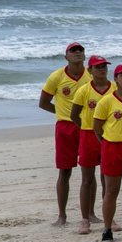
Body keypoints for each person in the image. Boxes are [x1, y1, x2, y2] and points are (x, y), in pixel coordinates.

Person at [39, 42, 89, 226]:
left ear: (84, 55)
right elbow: (43, 103)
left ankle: (90, 213)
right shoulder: (57, 76)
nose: (77, 53)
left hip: (86, 127)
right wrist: (63, 113)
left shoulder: (90, 75)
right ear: (66, 56)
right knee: (65, 171)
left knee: (88, 172)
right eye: (73, 51)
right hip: (65, 128)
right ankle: (62, 215)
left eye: (80, 50)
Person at [92, 64, 122, 242]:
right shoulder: (107, 101)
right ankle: (107, 229)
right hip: (113, 147)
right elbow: (97, 127)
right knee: (111, 190)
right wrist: (106, 143)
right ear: (116, 78)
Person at [68, 55, 115, 235]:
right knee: (87, 179)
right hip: (88, 136)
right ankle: (85, 219)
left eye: (104, 66)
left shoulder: (115, 88)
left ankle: (108, 217)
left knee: (107, 179)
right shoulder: (83, 90)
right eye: (98, 67)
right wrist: (87, 128)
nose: (102, 69)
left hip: (109, 137)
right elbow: (74, 115)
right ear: (90, 70)